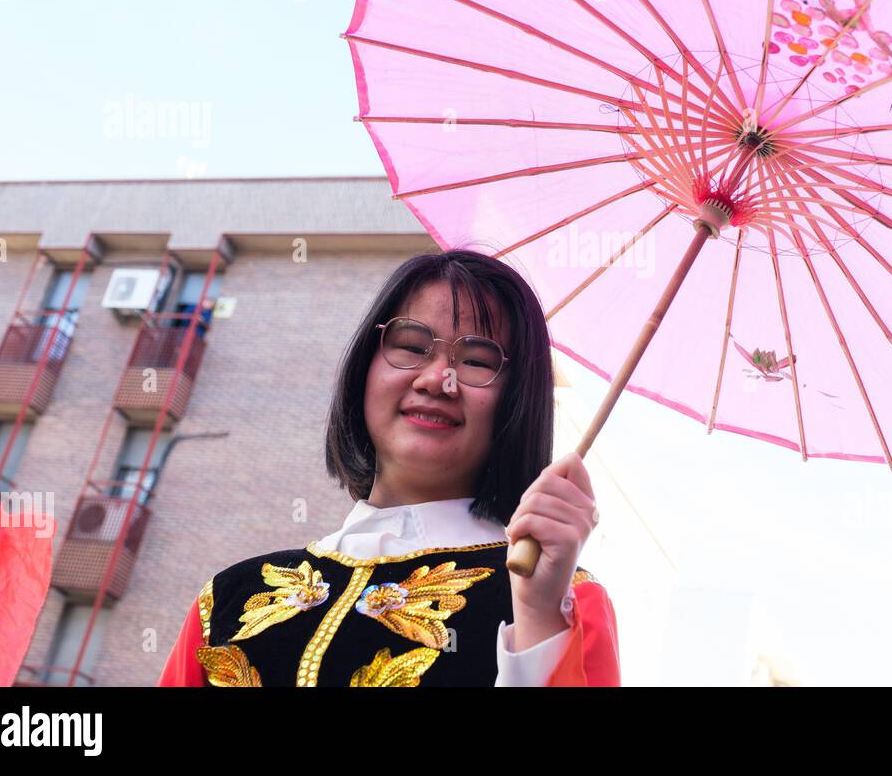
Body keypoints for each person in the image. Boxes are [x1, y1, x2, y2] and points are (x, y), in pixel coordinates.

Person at [156, 250, 619, 686]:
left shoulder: (562, 602)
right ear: (364, 367)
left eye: (477, 360)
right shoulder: (227, 600)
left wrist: (537, 619)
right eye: (412, 346)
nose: (438, 379)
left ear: (518, 401)